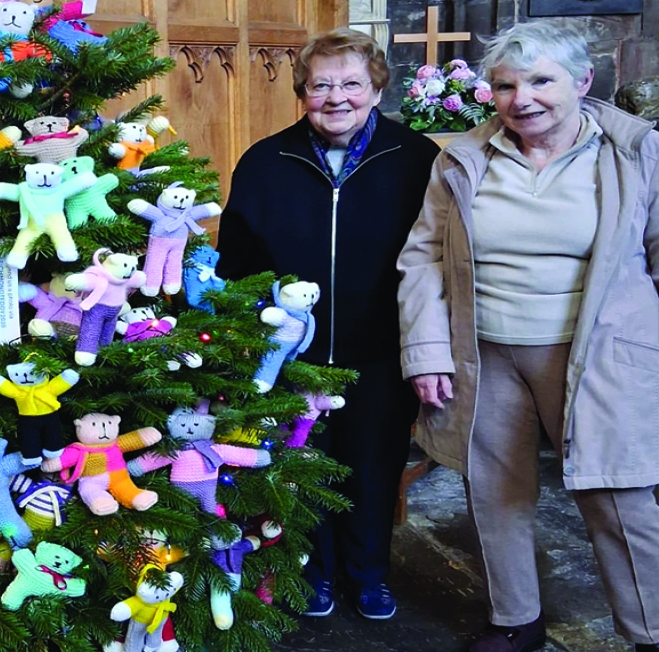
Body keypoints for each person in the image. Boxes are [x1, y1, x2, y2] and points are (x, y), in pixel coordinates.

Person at [397, 22, 659, 652]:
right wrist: (427, 351)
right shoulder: (462, 157)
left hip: (599, 351)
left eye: (542, 80)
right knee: (494, 491)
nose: (523, 99)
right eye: (506, 85)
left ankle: (650, 630)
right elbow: (424, 257)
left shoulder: (635, 150)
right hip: (486, 351)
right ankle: (515, 620)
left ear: (584, 81)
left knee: (619, 495)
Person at [216, 28, 440, 620]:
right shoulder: (267, 161)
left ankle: (368, 575)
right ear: (302, 92)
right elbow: (236, 261)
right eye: (321, 85)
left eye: (351, 84)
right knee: (300, 467)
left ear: (376, 88)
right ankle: (310, 574)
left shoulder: (416, 157)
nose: (336, 97)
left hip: (381, 348)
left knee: (374, 465)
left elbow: (438, 256)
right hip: (292, 355)